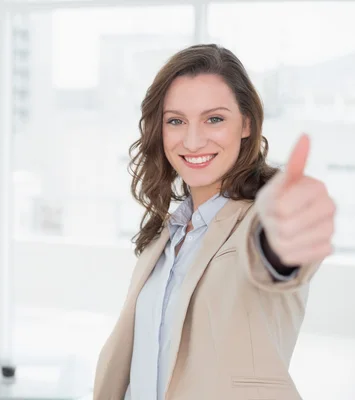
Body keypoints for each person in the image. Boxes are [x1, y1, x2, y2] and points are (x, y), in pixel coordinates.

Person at [93, 44, 335, 400]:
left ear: (247, 124)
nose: (192, 140)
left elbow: (270, 258)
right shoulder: (167, 233)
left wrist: (284, 238)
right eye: (176, 121)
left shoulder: (258, 222)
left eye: (214, 119)